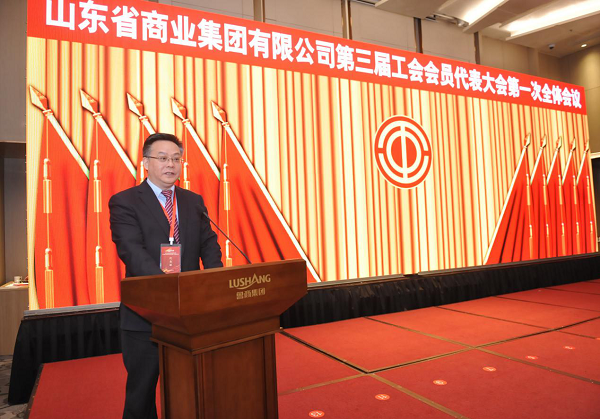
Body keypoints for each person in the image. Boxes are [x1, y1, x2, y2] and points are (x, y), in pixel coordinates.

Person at [109, 133, 222, 419]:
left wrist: (216, 283)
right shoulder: (125, 202)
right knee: (142, 393)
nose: (170, 164)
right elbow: (131, 251)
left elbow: (209, 244)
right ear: (146, 162)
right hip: (146, 314)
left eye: (176, 158)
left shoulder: (193, 201)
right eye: (162, 158)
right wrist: (169, 287)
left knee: (191, 387)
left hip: (190, 313)